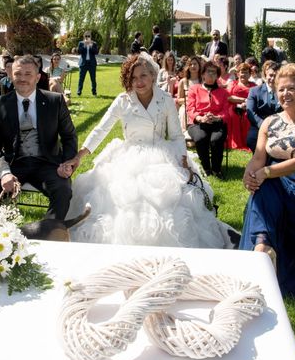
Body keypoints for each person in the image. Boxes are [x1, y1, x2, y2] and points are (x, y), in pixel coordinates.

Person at [63, 54, 235, 249]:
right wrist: (80, 155)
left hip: (161, 155)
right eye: (134, 77)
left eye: (143, 76)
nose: (139, 82)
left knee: (170, 202)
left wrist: (183, 162)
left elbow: (178, 136)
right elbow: (101, 129)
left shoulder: (165, 100)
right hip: (128, 156)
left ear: (153, 75)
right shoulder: (123, 100)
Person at [240, 63, 295, 296]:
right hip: (274, 179)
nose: (285, 94)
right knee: (263, 189)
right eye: (280, 89)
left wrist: (265, 173)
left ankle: (261, 250)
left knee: (265, 188)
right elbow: (259, 157)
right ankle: (263, 247)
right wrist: (249, 175)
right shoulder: (270, 122)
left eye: (291, 89)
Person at [0, 55, 77, 220]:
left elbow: (69, 136)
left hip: (48, 164)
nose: (22, 78)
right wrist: (4, 173)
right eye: (18, 74)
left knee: (63, 191)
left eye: (28, 74)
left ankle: (48, 232)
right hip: (13, 163)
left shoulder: (55, 101)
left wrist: (66, 163)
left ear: (38, 77)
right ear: (10, 75)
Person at [186, 61, 229, 178]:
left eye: (214, 72)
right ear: (203, 74)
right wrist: (200, 118)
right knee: (201, 138)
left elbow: (226, 112)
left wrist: (217, 118)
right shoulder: (194, 89)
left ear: (217, 76)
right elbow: (190, 109)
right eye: (208, 71)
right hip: (197, 123)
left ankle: (216, 169)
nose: (211, 74)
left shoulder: (223, 92)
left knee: (217, 139)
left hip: (217, 123)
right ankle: (206, 168)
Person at [246, 60, 282, 152]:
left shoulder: (284, 92)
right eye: (271, 75)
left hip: (280, 126)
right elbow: (251, 113)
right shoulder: (254, 91)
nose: (273, 78)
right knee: (251, 140)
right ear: (266, 75)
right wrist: (264, 125)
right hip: (259, 125)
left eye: (276, 76)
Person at [225, 63, 257, 151]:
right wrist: (244, 100)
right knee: (233, 115)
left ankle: (247, 142)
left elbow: (257, 98)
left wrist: (247, 103)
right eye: (241, 72)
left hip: (249, 107)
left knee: (247, 116)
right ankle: (236, 142)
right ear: (238, 73)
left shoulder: (253, 86)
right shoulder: (233, 84)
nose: (243, 74)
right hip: (233, 107)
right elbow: (229, 97)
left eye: (246, 72)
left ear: (250, 74)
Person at [176, 55, 202, 132]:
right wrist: (188, 100)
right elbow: (179, 100)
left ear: (199, 66)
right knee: (183, 112)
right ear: (188, 67)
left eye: (195, 64)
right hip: (186, 106)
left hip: (200, 107)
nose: (193, 66)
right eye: (190, 64)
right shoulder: (183, 81)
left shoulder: (203, 81)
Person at [76, 31, 98, 96]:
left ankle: (94, 92)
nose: (87, 37)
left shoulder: (94, 43)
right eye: (86, 36)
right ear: (84, 36)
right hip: (83, 64)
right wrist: (84, 46)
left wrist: (91, 46)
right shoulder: (81, 43)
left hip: (92, 64)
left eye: (88, 36)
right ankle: (79, 92)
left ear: (90, 36)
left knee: (93, 79)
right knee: (81, 79)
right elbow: (79, 52)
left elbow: (96, 52)